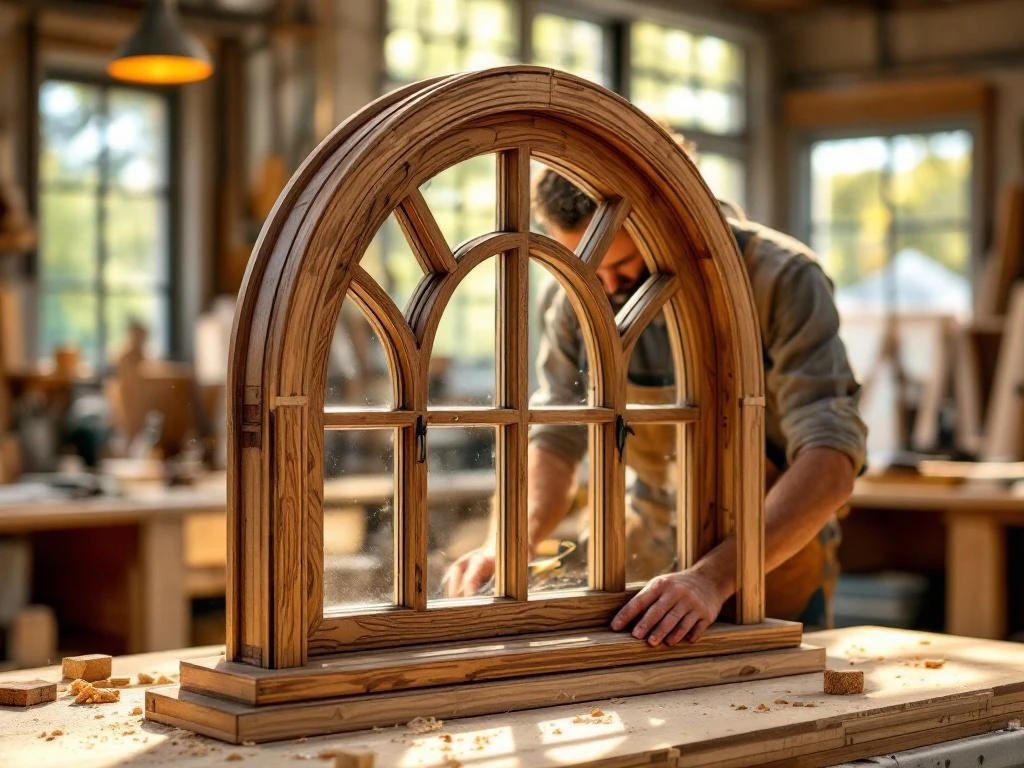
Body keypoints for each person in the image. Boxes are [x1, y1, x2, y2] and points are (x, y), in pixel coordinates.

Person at [445, 162, 868, 648]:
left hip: (771, 559)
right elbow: (557, 434)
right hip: (643, 549)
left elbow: (831, 458)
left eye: (622, 268)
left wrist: (711, 579)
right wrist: (508, 542)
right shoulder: (573, 293)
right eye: (586, 267)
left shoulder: (780, 279)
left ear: (667, 216)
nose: (602, 286)